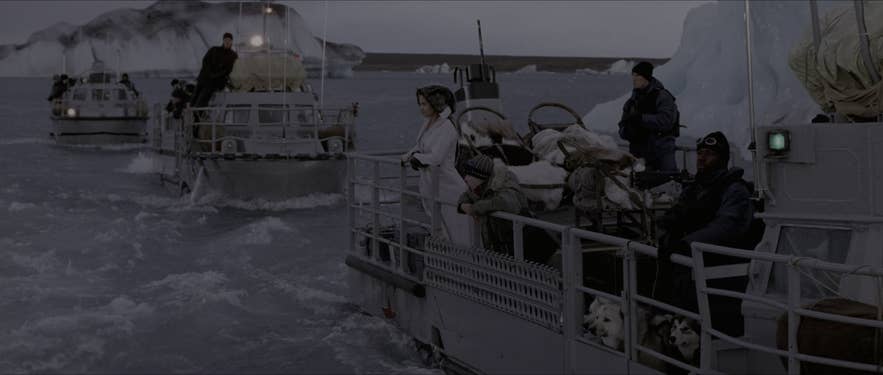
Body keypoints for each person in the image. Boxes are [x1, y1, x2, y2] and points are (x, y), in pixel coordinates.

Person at [656, 131, 757, 336]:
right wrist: (669, 223)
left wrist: (688, 243)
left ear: (722, 159)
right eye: (700, 152)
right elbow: (680, 211)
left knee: (707, 331)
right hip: (688, 273)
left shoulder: (735, 190)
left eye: (709, 153)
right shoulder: (696, 188)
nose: (701, 158)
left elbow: (728, 226)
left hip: (718, 276)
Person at [402, 85, 471, 247]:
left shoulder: (447, 127)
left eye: (424, 104)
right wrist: (408, 155)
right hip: (432, 185)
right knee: (439, 230)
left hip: (449, 189)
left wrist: (417, 158)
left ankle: (462, 263)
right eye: (420, 104)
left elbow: (437, 157)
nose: (421, 108)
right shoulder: (428, 123)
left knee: (457, 233)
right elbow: (420, 144)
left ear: (436, 103)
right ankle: (445, 260)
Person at [457, 155, 557, 264]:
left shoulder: (505, 183)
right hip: (505, 245)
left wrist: (475, 208)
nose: (465, 178)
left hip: (529, 243)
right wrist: (463, 205)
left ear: (480, 177)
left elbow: (507, 203)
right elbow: (465, 196)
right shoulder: (479, 187)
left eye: (469, 175)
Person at [618, 61, 679, 172]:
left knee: (667, 182)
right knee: (638, 185)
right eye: (633, 75)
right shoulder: (631, 102)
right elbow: (622, 126)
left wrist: (641, 118)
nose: (634, 79)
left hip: (661, 152)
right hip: (639, 155)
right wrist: (627, 130)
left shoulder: (662, 97)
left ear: (646, 77)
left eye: (637, 75)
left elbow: (667, 121)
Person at [190, 32, 238, 109]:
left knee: (203, 99)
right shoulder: (214, 50)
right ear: (223, 40)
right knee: (195, 96)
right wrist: (209, 73)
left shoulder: (233, 55)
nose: (227, 42)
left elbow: (228, 70)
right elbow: (205, 61)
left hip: (215, 82)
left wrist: (216, 75)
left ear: (232, 41)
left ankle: (197, 116)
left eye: (229, 40)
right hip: (204, 78)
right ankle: (190, 113)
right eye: (226, 39)